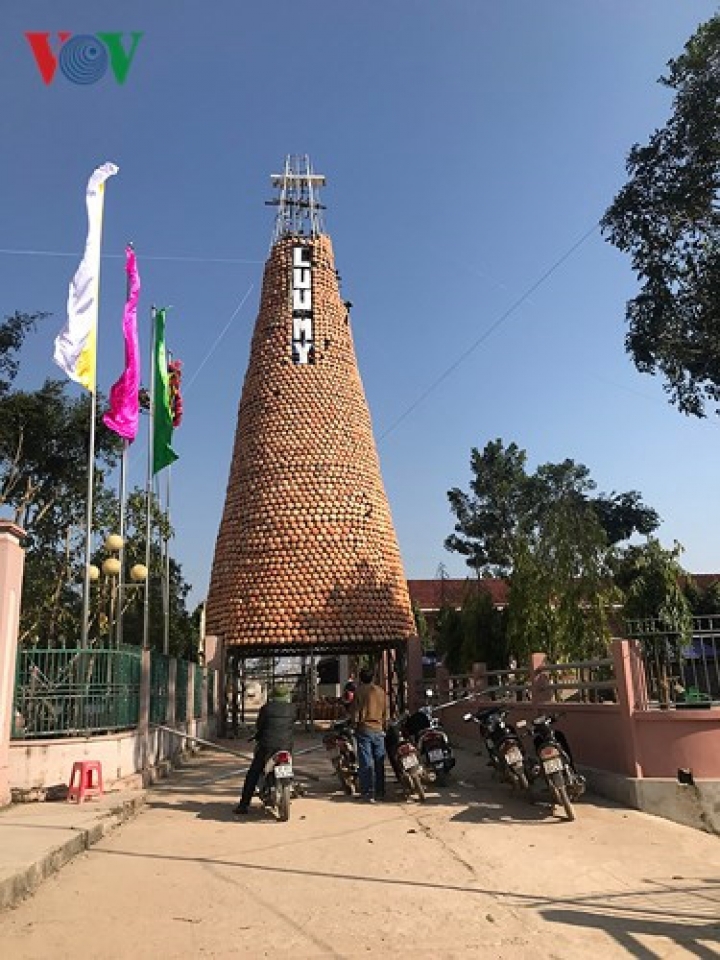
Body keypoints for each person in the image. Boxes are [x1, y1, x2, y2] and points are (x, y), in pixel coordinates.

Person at [234, 685, 295, 815]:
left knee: (253, 773)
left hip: (267, 746)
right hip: (286, 746)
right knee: (290, 765)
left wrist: (257, 736)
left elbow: (260, 726)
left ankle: (243, 805)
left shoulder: (266, 709)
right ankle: (291, 786)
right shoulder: (292, 709)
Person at [351, 667, 388, 802]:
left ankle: (367, 792)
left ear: (361, 678)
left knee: (366, 761)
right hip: (378, 729)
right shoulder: (381, 692)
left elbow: (355, 711)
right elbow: (386, 711)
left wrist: (354, 725)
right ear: (372, 678)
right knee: (379, 761)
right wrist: (384, 725)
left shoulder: (359, 692)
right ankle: (380, 791)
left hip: (364, 729)